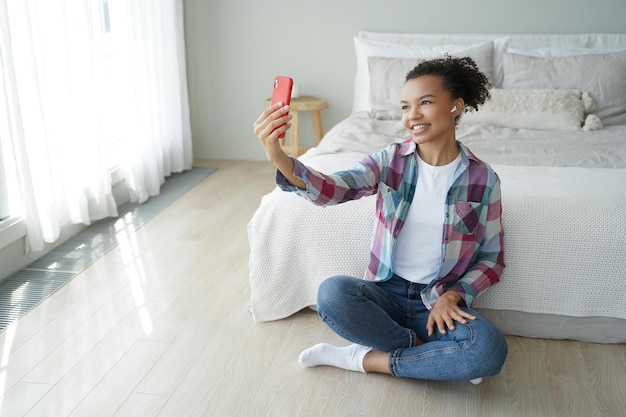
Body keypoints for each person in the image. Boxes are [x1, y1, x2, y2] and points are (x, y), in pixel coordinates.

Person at [253, 56, 507, 384]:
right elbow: (334, 188)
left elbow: (493, 258)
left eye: (425, 103)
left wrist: (455, 294)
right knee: (332, 293)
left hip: (437, 301)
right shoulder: (389, 161)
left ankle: (363, 359)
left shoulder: (483, 179)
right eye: (405, 107)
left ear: (455, 106)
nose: (411, 116)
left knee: (489, 351)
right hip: (384, 294)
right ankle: (431, 356)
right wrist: (278, 156)